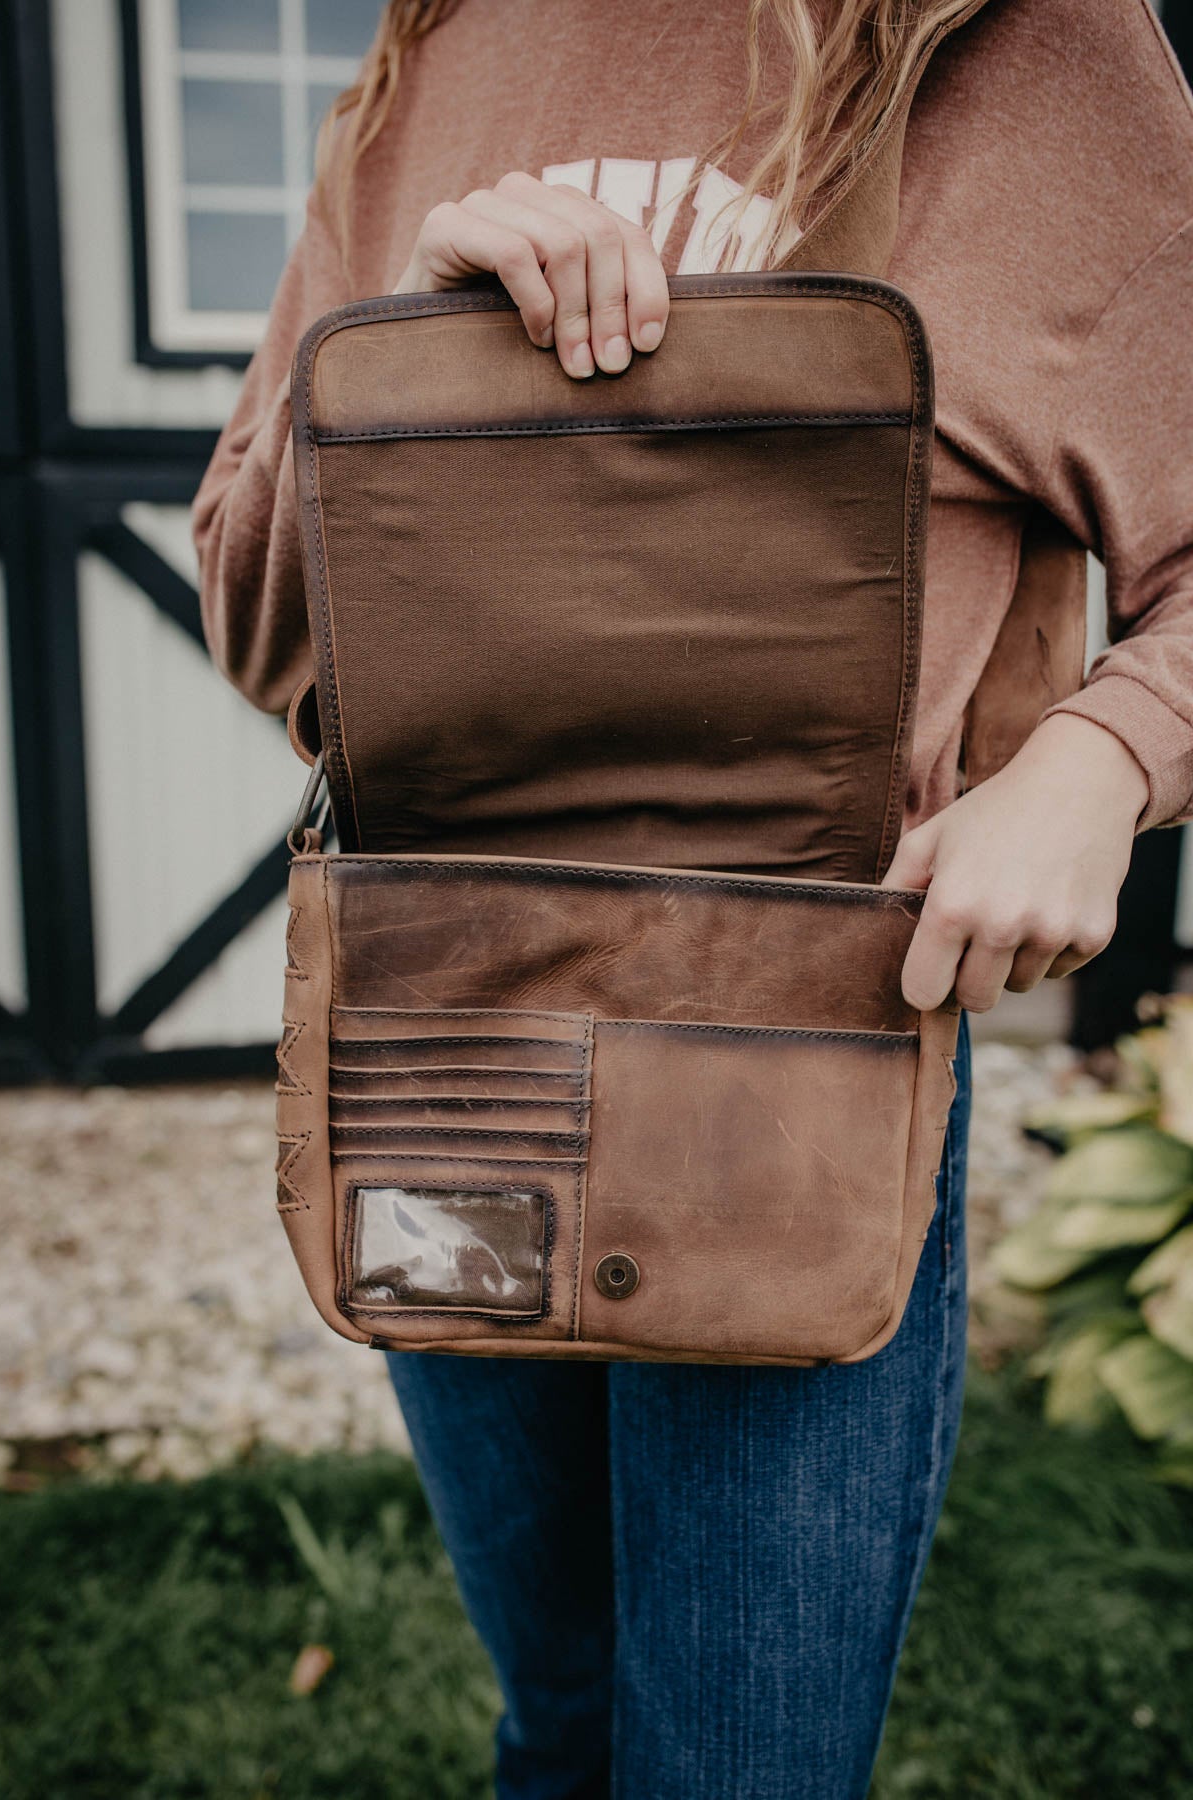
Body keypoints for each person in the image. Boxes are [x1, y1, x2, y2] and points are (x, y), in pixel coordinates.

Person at [193, 2, 1193, 1793]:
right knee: (557, 1724)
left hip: (792, 1063)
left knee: (734, 1770)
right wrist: (408, 360)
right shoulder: (434, 48)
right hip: (449, 1043)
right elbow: (259, 618)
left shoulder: (1026, 47)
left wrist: (1099, 763)